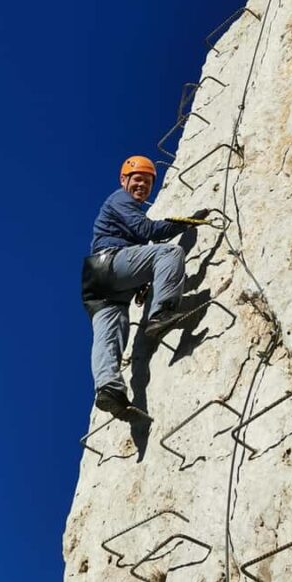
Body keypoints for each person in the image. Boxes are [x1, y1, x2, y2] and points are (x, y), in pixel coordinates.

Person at [81, 155, 208, 419]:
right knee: (170, 254)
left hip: (98, 286)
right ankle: (160, 314)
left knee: (109, 337)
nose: (142, 186)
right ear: (123, 180)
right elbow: (147, 229)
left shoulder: (122, 204)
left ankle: (109, 389)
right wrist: (187, 223)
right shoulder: (119, 199)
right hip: (110, 264)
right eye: (138, 179)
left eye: (148, 182)